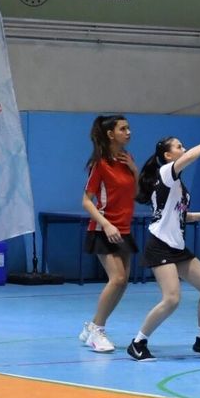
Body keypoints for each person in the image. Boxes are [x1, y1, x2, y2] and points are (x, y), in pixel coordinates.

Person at [126, 129, 200, 361]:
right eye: (178, 147)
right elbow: (191, 156)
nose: (183, 149)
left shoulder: (178, 187)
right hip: (160, 245)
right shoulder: (166, 172)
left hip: (177, 247)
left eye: (183, 146)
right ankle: (138, 343)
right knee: (172, 299)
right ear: (167, 155)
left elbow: (177, 215)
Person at [78, 115, 138, 353]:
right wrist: (106, 224)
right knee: (118, 279)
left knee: (123, 284)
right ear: (111, 134)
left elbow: (136, 195)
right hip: (104, 229)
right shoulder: (100, 164)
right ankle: (97, 330)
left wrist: (134, 170)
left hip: (125, 229)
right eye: (123, 129)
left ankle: (92, 326)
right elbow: (86, 201)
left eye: (129, 128)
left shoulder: (127, 160)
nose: (128, 132)